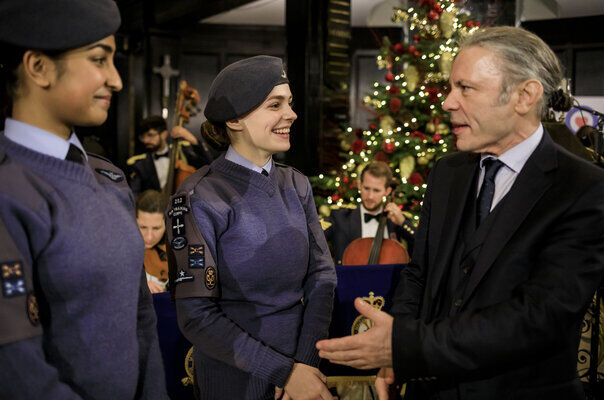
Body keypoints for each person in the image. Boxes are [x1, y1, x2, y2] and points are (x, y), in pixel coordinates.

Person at [316, 26, 604, 400]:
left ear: (524, 95)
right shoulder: (448, 172)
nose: (448, 102)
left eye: (465, 88)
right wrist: (395, 349)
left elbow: (539, 318)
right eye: (451, 88)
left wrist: (406, 347)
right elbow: (420, 274)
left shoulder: (583, 187)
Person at [0, 1, 167, 398]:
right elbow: (14, 362)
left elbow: (141, 319)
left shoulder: (109, 179)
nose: (116, 80)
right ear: (38, 67)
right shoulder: (10, 188)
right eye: (99, 59)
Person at [166, 55, 337, 400]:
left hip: (305, 374)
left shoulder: (297, 184)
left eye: (289, 103)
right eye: (275, 104)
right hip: (236, 380)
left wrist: (304, 366)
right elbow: (197, 316)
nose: (291, 114)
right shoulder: (198, 197)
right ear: (234, 119)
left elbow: (323, 277)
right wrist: (285, 373)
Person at [322, 161, 415, 264]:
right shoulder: (341, 217)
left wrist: (403, 223)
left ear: (387, 191)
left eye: (376, 190)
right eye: (366, 188)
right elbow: (311, 238)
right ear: (360, 185)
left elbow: (424, 250)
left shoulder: (396, 222)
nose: (370, 196)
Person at [127, 115, 212, 195]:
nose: (146, 140)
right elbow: (134, 194)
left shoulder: (182, 152)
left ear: (163, 134)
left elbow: (208, 163)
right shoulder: (139, 164)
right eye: (143, 137)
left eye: (150, 135)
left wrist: (191, 138)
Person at [136, 190, 169, 293]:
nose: (149, 237)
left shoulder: (177, 248)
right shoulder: (118, 247)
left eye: (156, 228)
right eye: (143, 227)